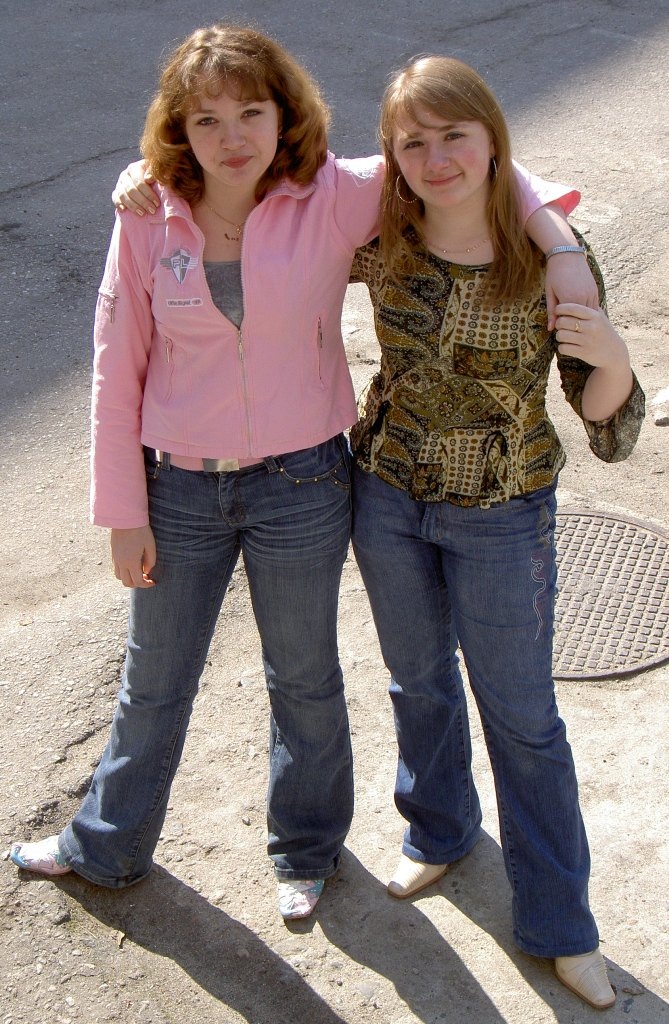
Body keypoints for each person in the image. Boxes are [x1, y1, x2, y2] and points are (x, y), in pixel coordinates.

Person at [9, 24, 598, 923]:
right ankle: (107, 844)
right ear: (179, 129)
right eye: (207, 120)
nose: (232, 137)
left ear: (284, 115)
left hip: (302, 484)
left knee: (305, 678)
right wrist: (123, 510)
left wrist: (559, 242)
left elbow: (474, 163)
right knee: (153, 680)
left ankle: (306, 850)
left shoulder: (329, 195)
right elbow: (112, 368)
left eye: (251, 112)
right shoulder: (148, 215)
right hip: (178, 489)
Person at [348, 55, 644, 1008]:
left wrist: (613, 356)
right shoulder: (379, 231)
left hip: (504, 512)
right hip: (386, 494)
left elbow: (605, 422)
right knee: (417, 680)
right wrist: (147, 179)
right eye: (413, 143)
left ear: (490, 141)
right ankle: (436, 830)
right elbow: (269, 204)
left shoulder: (549, 254)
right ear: (392, 154)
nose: (436, 159)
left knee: (522, 717)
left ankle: (561, 923)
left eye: (455, 136)